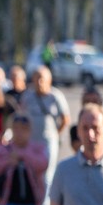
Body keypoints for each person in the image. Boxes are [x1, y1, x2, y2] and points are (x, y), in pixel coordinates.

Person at [22, 66, 70, 194]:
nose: (39, 82)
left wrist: (56, 134)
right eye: (36, 79)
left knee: (47, 174)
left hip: (48, 141)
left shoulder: (55, 96)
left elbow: (65, 118)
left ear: (49, 80)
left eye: (42, 79)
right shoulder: (27, 96)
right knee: (31, 173)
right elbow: (21, 116)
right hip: (31, 141)